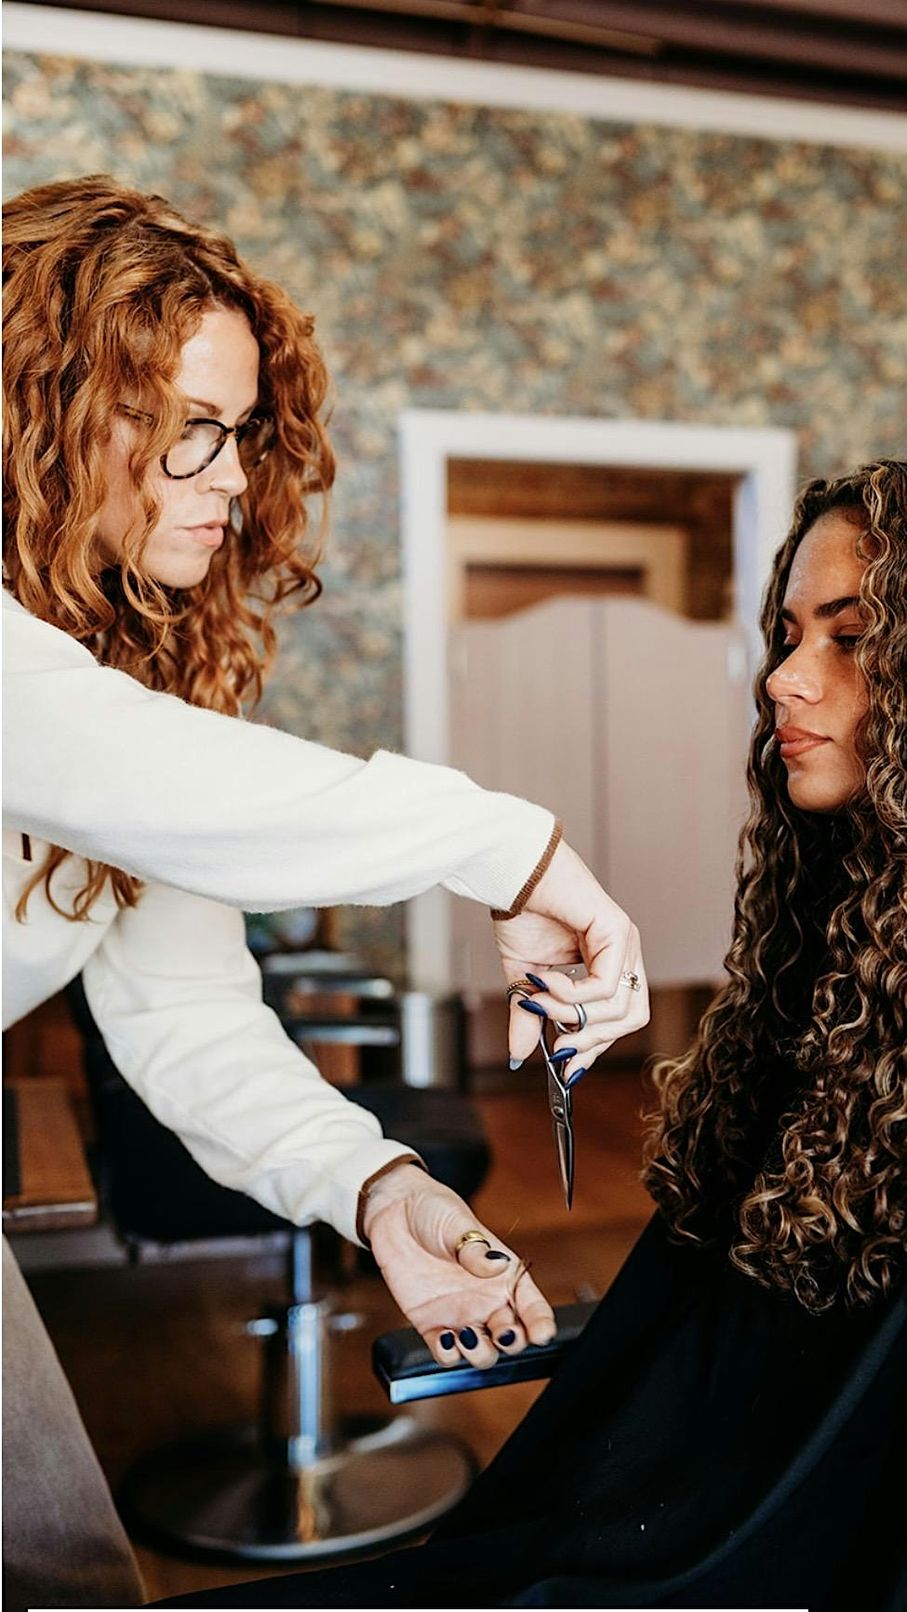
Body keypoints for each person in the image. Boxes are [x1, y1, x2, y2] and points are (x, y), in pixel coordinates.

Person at [175, 455, 907, 1611]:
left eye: (852, 637)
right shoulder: (841, 982)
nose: (784, 679)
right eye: (789, 635)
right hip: (669, 1529)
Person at [1, 175, 650, 1610]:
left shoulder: (108, 676)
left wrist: (375, 1185)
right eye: (193, 428)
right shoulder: (45, 695)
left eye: (244, 433)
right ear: (49, 410)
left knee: (62, 1567)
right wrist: (520, 852)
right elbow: (154, 777)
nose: (235, 477)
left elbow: (187, 1014)